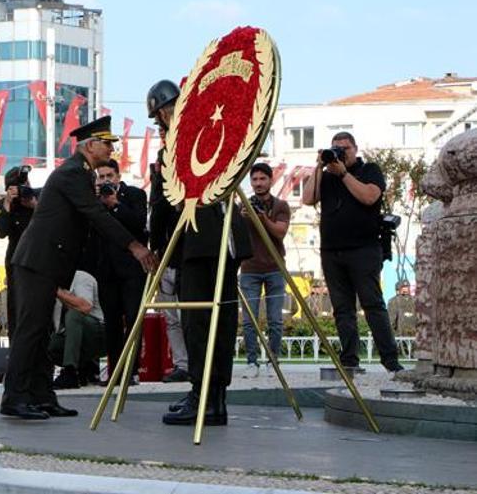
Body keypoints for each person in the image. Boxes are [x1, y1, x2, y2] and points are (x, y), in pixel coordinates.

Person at [1, 115, 158, 420]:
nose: (112, 148)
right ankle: (14, 397)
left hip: (47, 263)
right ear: (90, 146)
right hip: (38, 262)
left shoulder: (80, 173)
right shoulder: (73, 173)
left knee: (42, 332)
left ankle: (42, 395)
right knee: (30, 331)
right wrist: (135, 246)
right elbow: (95, 215)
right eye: (107, 143)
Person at [146, 79, 253, 426]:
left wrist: (157, 248)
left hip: (200, 240)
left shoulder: (181, 146)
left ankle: (203, 395)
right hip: (221, 238)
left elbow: (164, 205)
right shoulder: (211, 131)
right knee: (218, 320)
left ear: (162, 113)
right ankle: (212, 398)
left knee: (200, 322)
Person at [302, 131, 402, 372]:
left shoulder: (370, 170)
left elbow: (369, 197)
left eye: (344, 148)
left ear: (355, 149)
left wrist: (344, 173)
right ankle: (349, 361)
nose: (340, 152)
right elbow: (307, 199)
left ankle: (391, 362)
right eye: (335, 148)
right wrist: (319, 166)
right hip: (331, 251)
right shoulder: (325, 177)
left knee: (373, 305)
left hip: (364, 249)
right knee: (342, 309)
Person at [94, 158, 148, 384]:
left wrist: (115, 204)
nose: (106, 180)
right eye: (101, 177)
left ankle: (130, 370)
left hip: (132, 269)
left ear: (118, 176)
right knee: (112, 321)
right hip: (106, 269)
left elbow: (138, 223)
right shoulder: (94, 201)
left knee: (134, 318)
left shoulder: (134, 194)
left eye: (109, 176)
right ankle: (115, 371)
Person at [148, 88, 189, 383]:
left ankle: (196, 365)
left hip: (190, 243)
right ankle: (183, 363)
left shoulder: (191, 143)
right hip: (167, 246)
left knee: (191, 313)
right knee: (172, 316)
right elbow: (157, 204)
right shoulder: (163, 155)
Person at [239, 163, 291, 378]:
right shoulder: (242, 205)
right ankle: (252, 362)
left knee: (275, 319)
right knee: (249, 319)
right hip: (250, 268)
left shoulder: (281, 205)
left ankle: (273, 360)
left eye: (263, 179)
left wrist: (262, 218)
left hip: (274, 268)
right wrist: (243, 216)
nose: (258, 183)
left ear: (271, 180)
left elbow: (280, 232)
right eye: (255, 179)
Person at [0, 166, 38, 339]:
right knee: (15, 306)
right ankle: (15, 349)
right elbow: (0, 232)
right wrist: (7, 205)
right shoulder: (2, 205)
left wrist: (34, 206)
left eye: (26, 183)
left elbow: (51, 224)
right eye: (20, 185)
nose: (25, 187)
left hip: (37, 259)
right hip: (16, 261)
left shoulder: (37, 199)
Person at [50, 269, 106, 389]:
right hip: (72, 337)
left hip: (98, 333)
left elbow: (85, 306)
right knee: (50, 344)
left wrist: (57, 291)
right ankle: (83, 368)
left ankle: (70, 371)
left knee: (74, 315)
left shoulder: (81, 277)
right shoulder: (50, 281)